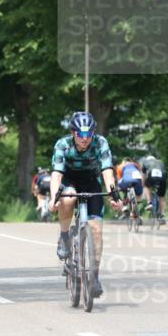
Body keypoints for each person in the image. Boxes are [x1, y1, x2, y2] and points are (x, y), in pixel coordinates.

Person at [48, 111, 123, 298]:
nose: (85, 138)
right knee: (69, 197)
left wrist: (114, 194)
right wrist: (52, 198)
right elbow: (56, 174)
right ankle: (65, 236)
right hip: (69, 180)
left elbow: (107, 170)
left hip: (91, 180)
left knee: (96, 230)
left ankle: (94, 278)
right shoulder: (63, 144)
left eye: (88, 134)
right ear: (73, 133)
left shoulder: (100, 143)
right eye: (81, 134)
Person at [140, 153, 168, 219]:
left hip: (152, 176)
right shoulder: (160, 161)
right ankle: (162, 214)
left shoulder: (145, 162)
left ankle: (149, 203)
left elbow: (143, 175)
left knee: (146, 186)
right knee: (162, 196)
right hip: (162, 178)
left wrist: (143, 184)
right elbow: (164, 171)